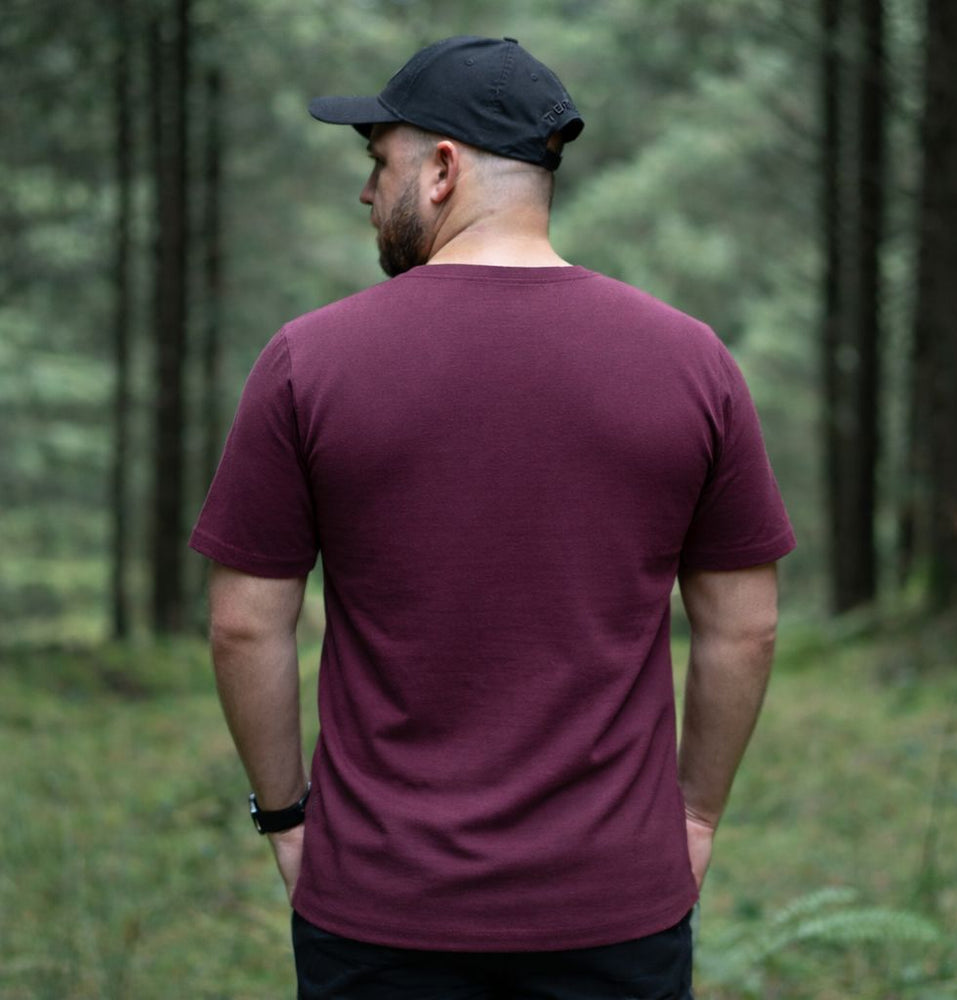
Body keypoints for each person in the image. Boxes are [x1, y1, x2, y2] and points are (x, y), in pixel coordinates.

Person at [191, 35, 796, 1000]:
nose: (366, 193)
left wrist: (287, 819)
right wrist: (695, 818)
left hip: (380, 905)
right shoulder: (693, 362)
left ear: (441, 169)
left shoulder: (310, 360)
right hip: (614, 905)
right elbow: (745, 627)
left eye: (378, 161)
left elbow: (242, 624)